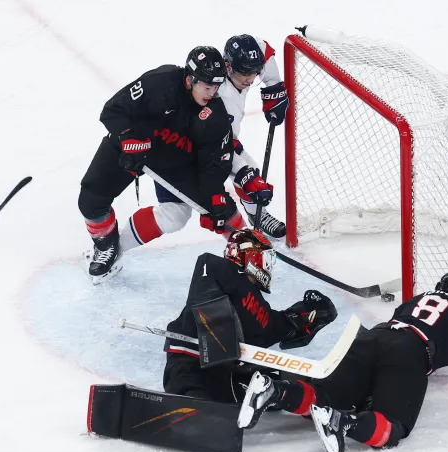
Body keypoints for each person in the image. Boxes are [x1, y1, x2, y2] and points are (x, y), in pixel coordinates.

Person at [237, 272, 448, 452]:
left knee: (326, 395)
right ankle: (344, 423)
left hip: (371, 337)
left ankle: (275, 391)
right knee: (393, 426)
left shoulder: (412, 301)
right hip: (409, 351)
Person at [78, 46, 248, 284]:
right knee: (91, 200)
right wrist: (126, 137)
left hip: (175, 160)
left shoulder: (215, 114)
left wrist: (216, 199)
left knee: (215, 209)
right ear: (190, 79)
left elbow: (214, 166)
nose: (212, 92)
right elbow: (113, 109)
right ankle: (105, 245)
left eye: (216, 86)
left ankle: (248, 244)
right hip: (134, 145)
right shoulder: (160, 82)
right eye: (206, 86)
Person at [162, 228, 338, 402]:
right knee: (194, 399)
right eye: (266, 258)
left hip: (228, 378)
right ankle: (191, 410)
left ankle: (330, 399)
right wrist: (220, 340)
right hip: (191, 364)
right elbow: (206, 271)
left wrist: (309, 314)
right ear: (252, 256)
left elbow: (280, 325)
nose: (268, 266)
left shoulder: (260, 307)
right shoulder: (220, 271)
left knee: (280, 387)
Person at [217, 34, 290, 239]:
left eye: (254, 73)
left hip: (222, 137)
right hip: (197, 147)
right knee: (178, 212)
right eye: (244, 74)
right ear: (228, 66)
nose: (250, 79)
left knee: (250, 171)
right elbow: (221, 147)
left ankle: (256, 215)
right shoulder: (222, 96)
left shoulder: (245, 64)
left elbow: (263, 49)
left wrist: (273, 87)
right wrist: (245, 175)